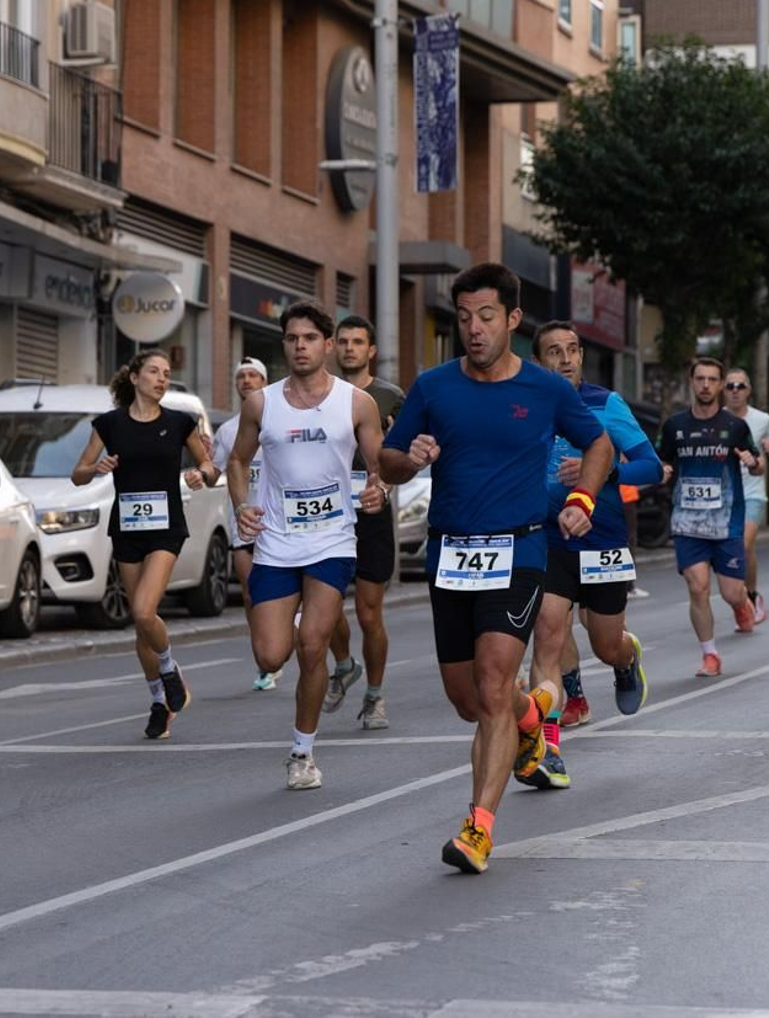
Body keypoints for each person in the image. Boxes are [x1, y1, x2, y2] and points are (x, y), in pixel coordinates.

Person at [379, 262, 612, 874]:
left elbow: (599, 444)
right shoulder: (432, 387)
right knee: (469, 700)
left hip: (520, 550)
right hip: (451, 554)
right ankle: (533, 716)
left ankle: (478, 828)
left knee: (489, 686)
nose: (473, 329)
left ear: (511, 319)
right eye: (463, 318)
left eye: (486, 317)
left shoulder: (545, 389)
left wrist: (583, 500)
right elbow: (388, 459)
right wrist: (411, 458)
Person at [226, 303, 389, 791]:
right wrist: (240, 505)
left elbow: (380, 463)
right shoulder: (261, 404)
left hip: (333, 539)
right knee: (271, 657)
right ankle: (298, 618)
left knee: (311, 645)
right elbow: (237, 461)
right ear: (284, 345)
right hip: (275, 542)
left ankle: (302, 752)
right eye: (292, 338)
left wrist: (378, 488)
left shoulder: (357, 403)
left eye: (310, 338)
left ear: (326, 344)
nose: (300, 346)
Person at [522, 321, 659, 790]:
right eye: (554, 352)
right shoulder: (527, 406)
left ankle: (625, 658)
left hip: (601, 542)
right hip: (548, 539)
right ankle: (550, 748)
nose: (565, 359)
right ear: (538, 361)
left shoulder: (606, 405)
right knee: (549, 633)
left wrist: (604, 469)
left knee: (604, 642)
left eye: (572, 350)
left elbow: (651, 466)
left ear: (581, 356)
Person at [72, 349, 216, 740]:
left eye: (167, 373)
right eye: (153, 371)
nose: (161, 378)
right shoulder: (110, 424)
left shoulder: (179, 422)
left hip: (167, 527)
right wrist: (96, 468)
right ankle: (159, 701)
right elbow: (77, 475)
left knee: (143, 609)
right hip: (128, 528)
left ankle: (169, 670)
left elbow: (210, 466)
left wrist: (201, 474)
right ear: (134, 377)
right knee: (141, 626)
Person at [323, 316, 407, 730]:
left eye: (358, 342)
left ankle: (374, 696)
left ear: (371, 350)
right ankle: (343, 664)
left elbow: (410, 455)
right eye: (343, 341)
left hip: (372, 509)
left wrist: (394, 452)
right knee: (323, 607)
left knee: (370, 614)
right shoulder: (319, 393)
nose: (350, 348)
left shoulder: (391, 397)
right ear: (333, 347)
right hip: (325, 512)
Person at [658, 358, 762, 678]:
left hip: (726, 521)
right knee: (698, 586)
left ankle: (742, 605)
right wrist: (661, 471)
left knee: (731, 592)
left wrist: (751, 460)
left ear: (719, 385)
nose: (705, 385)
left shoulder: (734, 427)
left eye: (712, 380)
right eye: (700, 379)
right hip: (687, 522)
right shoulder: (675, 426)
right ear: (692, 382)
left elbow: (757, 464)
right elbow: (662, 462)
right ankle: (710, 654)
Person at [189, 359, 273, 690]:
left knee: (286, 592)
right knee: (253, 593)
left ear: (265, 381)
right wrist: (203, 465)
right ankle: (265, 662)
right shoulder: (227, 431)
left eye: (254, 375)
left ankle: (285, 635)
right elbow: (215, 475)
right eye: (241, 376)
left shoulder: (281, 420)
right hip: (244, 524)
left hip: (280, 523)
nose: (247, 380)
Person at [723, 367, 769, 623]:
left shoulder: (762, 419)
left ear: (749, 391)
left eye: (740, 386)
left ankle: (752, 595)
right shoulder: (716, 418)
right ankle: (739, 597)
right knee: (730, 550)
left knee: (744, 544)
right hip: (724, 495)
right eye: (730, 386)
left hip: (753, 492)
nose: (735, 391)